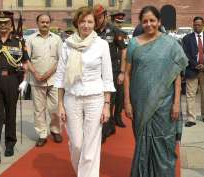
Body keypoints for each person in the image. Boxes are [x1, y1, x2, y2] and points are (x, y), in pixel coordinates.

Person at [124, 6, 188, 177]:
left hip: (165, 104)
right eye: (145, 21)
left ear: (159, 22)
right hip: (140, 103)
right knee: (142, 142)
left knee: (164, 143)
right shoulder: (133, 43)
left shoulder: (170, 44)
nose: (149, 24)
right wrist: (127, 102)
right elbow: (127, 75)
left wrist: (176, 104)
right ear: (141, 23)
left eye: (152, 20)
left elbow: (177, 76)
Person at [55, 6, 115, 177]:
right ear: (77, 23)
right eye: (83, 21)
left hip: (95, 99)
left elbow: (108, 77)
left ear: (95, 23)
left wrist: (106, 105)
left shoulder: (102, 45)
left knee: (90, 147)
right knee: (77, 144)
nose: (86, 25)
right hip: (71, 98)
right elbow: (60, 76)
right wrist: (59, 105)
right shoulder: (67, 45)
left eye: (90, 22)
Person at [0, 11, 29, 164]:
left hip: (12, 79)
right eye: (0, 22)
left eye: (6, 22)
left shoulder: (18, 41)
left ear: (11, 24)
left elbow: (25, 63)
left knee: (11, 113)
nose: (3, 25)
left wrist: (25, 80)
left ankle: (10, 143)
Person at [26, 14, 63, 147]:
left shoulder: (57, 39)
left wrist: (48, 73)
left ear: (50, 23)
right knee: (39, 109)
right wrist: (35, 73)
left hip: (53, 79)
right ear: (37, 23)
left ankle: (55, 130)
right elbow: (27, 59)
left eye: (47, 22)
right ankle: (42, 134)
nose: (45, 24)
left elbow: (61, 60)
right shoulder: (30, 39)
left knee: (55, 108)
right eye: (42, 22)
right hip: (36, 80)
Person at [94, 4, 127, 143]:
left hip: (112, 70)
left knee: (109, 101)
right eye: (95, 18)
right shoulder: (92, 31)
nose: (97, 20)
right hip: (96, 71)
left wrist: (122, 72)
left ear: (105, 16)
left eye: (99, 17)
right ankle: (110, 126)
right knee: (97, 101)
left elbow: (124, 50)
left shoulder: (114, 30)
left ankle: (104, 131)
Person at [182, 16, 204, 127]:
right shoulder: (187, 38)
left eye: (199, 24)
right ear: (193, 25)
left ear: (203, 25)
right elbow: (185, 54)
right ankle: (191, 118)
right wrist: (196, 65)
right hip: (192, 70)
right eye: (195, 24)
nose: (197, 26)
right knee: (190, 95)